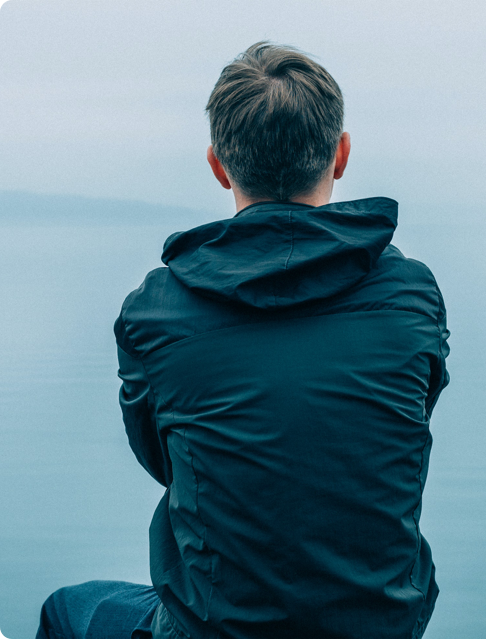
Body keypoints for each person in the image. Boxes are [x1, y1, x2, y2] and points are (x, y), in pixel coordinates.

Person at [36, 41, 450, 639]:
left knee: (67, 610)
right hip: (382, 624)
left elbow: (164, 461)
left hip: (215, 628)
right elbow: (395, 427)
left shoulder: (156, 313)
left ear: (218, 164)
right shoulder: (411, 296)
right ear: (341, 154)